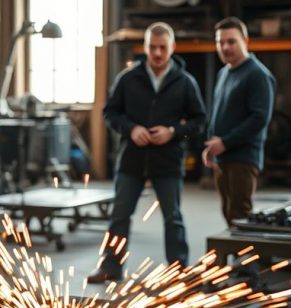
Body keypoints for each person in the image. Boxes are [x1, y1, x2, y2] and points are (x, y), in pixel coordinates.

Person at [87, 22, 206, 283]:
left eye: (163, 48)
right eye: (153, 47)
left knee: (172, 217)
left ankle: (178, 271)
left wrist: (173, 132)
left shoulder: (185, 83)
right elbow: (110, 113)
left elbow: (199, 122)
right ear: (146, 48)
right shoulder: (128, 79)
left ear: (173, 48)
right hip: (132, 159)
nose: (158, 53)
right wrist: (130, 129)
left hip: (168, 161)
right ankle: (111, 267)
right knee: (119, 215)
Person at [202, 16, 277, 226]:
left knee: (240, 214)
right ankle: (236, 258)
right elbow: (218, 112)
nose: (225, 47)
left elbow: (260, 118)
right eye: (220, 42)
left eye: (231, 41)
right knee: (228, 213)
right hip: (222, 157)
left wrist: (225, 142)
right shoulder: (224, 73)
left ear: (245, 40)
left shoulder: (257, 75)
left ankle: (250, 259)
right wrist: (211, 145)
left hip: (243, 158)